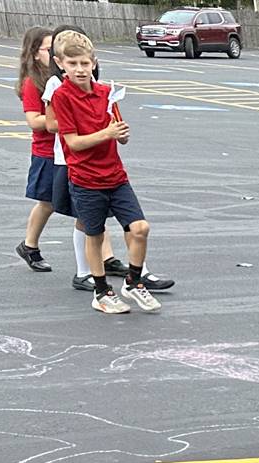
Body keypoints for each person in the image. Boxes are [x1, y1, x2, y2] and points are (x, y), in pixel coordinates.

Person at [41, 27, 171, 296]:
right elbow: (68, 138)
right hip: (80, 173)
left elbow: (117, 128)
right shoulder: (60, 93)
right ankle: (93, 281)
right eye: (72, 64)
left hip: (114, 174)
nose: (79, 69)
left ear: (94, 62)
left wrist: (120, 134)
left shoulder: (105, 92)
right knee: (92, 229)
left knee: (138, 227)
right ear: (60, 64)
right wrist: (106, 134)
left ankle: (136, 278)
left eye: (85, 63)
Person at [15, 28, 59, 271]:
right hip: (47, 153)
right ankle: (29, 245)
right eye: (49, 49)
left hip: (69, 150)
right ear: (34, 53)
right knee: (47, 203)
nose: (54, 54)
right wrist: (61, 120)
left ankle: (105, 257)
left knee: (87, 205)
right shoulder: (33, 83)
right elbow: (34, 120)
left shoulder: (60, 77)